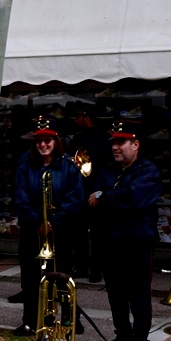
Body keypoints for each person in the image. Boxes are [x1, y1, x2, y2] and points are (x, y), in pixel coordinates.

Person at [90, 121, 162, 341]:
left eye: (121, 142)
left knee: (139, 295)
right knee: (116, 294)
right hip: (111, 242)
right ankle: (123, 336)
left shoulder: (149, 170)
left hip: (137, 242)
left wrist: (105, 197)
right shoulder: (108, 171)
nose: (115, 147)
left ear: (136, 144)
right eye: (114, 143)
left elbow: (133, 200)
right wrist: (107, 198)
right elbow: (93, 200)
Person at [11, 116, 84, 337]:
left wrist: (54, 221)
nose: (43, 144)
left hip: (61, 231)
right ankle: (31, 321)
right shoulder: (25, 165)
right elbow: (20, 197)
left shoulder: (69, 167)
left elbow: (75, 198)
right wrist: (38, 221)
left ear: (56, 141)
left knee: (62, 277)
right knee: (30, 277)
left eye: (48, 140)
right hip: (33, 230)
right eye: (39, 140)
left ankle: (71, 320)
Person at [68, 105, 109, 282]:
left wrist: (101, 191)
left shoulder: (105, 138)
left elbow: (107, 166)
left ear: (87, 117)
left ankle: (96, 269)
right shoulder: (77, 138)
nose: (75, 120)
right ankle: (82, 266)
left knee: (98, 232)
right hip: (80, 188)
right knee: (79, 231)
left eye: (78, 116)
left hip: (97, 188)